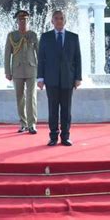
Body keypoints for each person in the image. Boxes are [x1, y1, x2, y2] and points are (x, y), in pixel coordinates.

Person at [37, 10, 82, 146]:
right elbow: (41, 59)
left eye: (61, 18)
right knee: (53, 109)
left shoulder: (73, 37)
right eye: (56, 18)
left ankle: (65, 137)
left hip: (68, 79)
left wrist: (78, 78)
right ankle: (53, 137)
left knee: (66, 110)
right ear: (52, 21)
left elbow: (77, 59)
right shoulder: (46, 37)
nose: (59, 21)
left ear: (65, 20)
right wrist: (40, 78)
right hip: (51, 79)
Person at [4, 10, 39, 134]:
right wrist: (7, 71)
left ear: (28, 21)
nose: (23, 21)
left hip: (31, 69)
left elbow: (38, 53)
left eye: (25, 19)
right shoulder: (12, 36)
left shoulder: (33, 35)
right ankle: (23, 123)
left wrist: (41, 72)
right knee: (19, 97)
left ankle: (32, 124)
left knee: (31, 97)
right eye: (20, 20)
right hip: (17, 70)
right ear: (17, 21)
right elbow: (7, 54)